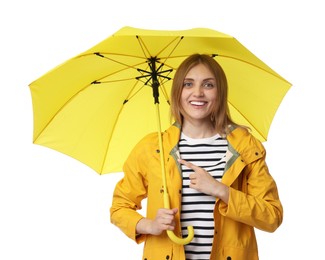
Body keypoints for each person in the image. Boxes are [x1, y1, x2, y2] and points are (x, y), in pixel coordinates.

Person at [110, 54, 283, 260]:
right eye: (188, 84)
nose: (198, 93)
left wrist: (221, 190)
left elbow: (272, 216)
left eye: (208, 85)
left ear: (220, 91)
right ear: (177, 92)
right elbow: (120, 208)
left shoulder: (244, 146)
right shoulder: (153, 147)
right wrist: (149, 225)